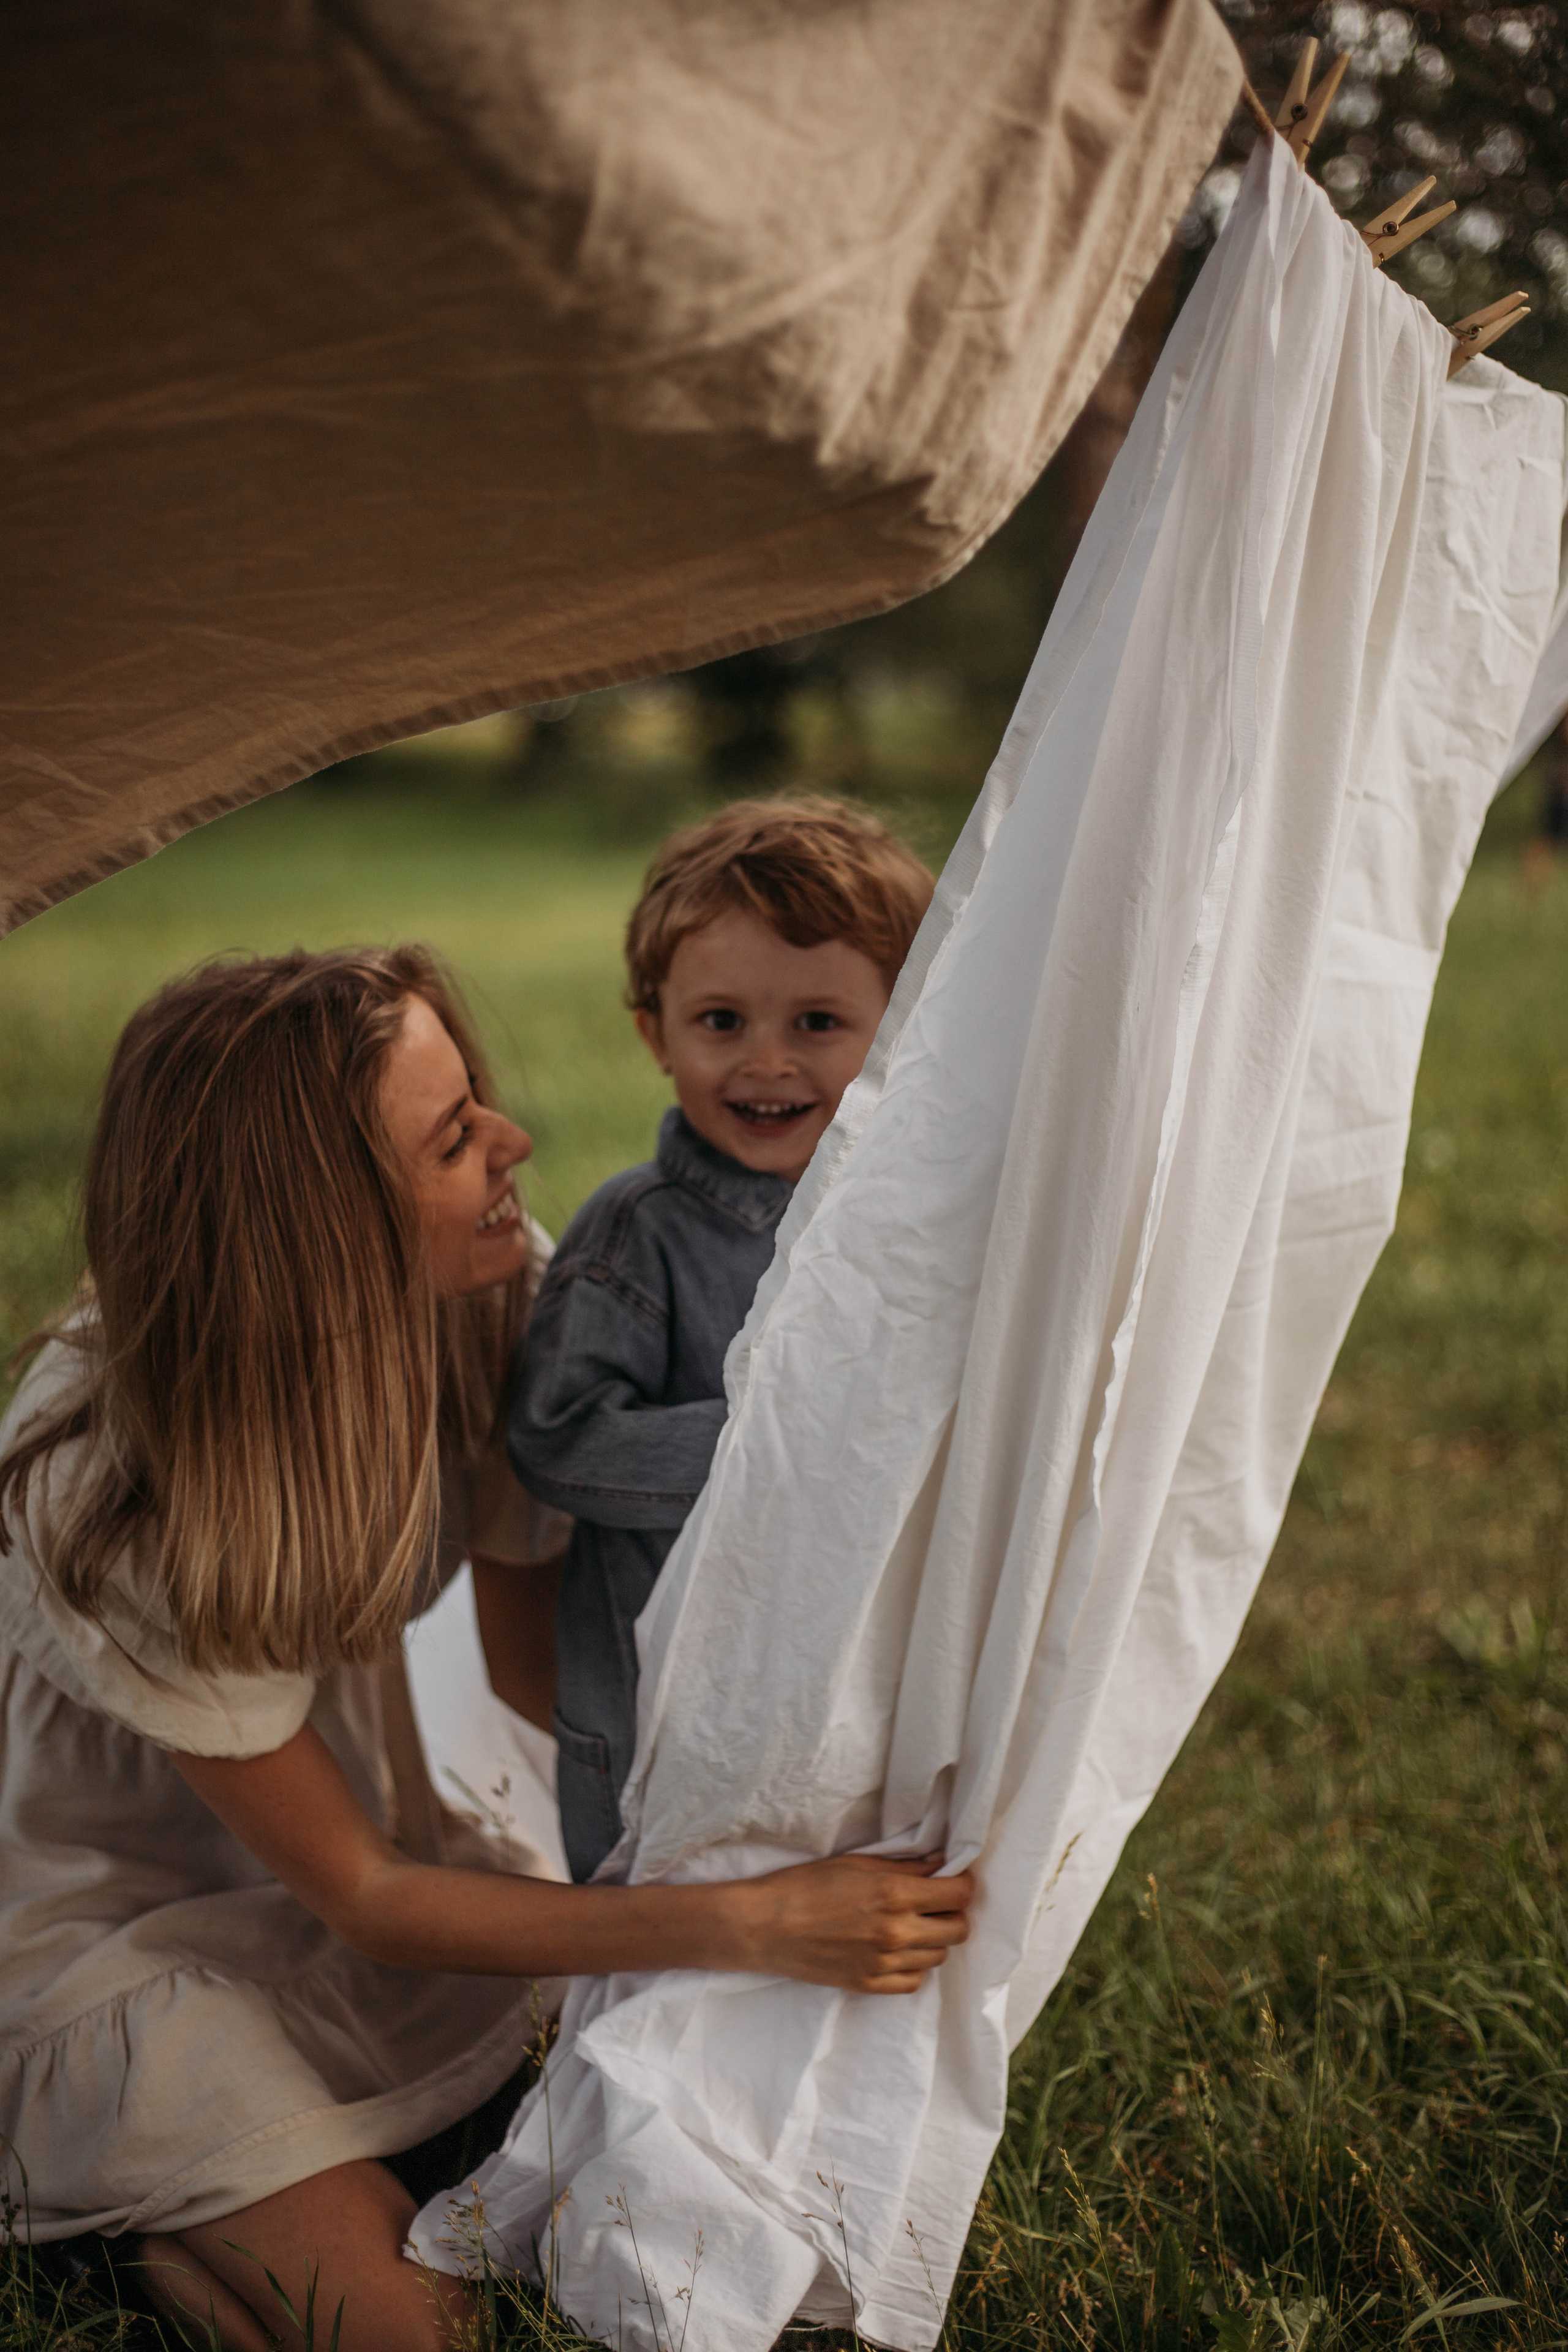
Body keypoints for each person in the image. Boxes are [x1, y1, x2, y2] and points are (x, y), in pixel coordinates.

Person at [0, 946, 972, 2352]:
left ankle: (215, 2201)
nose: (514, 1144)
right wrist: (753, 1923)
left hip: (383, 1846)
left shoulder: (499, 1297)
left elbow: (534, 1674)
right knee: (421, 2333)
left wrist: (778, 1817)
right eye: (454, 1136)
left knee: (664, 2164)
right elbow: (366, 1898)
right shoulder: (116, 1487)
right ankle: (164, 2195)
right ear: (317, 1220)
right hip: (118, 1928)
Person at [505, 799, 934, 1880]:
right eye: (723, 1022)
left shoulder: (913, 1228)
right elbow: (559, 1436)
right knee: (675, 1939)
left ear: (907, 1026)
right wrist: (778, 1444)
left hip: (841, 1679)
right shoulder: (637, 1233)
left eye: (818, 1024)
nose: (768, 1064)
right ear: (657, 1031)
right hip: (669, 1712)